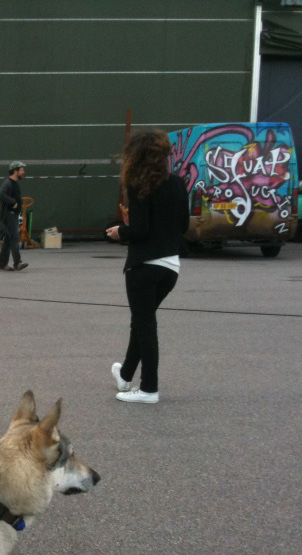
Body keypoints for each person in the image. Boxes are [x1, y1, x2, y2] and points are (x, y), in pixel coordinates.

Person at [105, 130, 189, 404]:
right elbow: (183, 225)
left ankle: (149, 389)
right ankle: (126, 375)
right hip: (170, 267)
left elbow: (139, 232)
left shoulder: (137, 184)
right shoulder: (178, 183)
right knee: (140, 323)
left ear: (136, 155)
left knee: (145, 324)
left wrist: (121, 230)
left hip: (143, 266)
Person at [0, 161, 29, 272]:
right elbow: (0, 194)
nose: (23, 172)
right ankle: (17, 263)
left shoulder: (15, 183)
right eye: (22, 170)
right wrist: (13, 202)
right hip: (9, 215)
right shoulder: (8, 182)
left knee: (8, 241)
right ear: (15, 171)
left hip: (13, 215)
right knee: (15, 237)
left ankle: (2, 264)